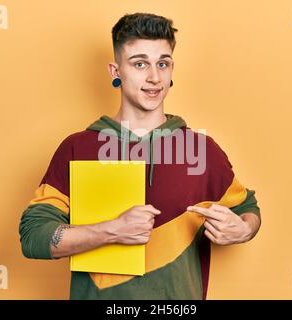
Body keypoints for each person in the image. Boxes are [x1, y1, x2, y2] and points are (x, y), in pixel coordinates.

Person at [19, 12, 261, 300]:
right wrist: (111, 231)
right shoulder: (78, 148)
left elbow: (247, 207)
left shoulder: (201, 150)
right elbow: (33, 237)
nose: (154, 77)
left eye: (163, 64)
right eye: (140, 64)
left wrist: (244, 229)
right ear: (115, 71)